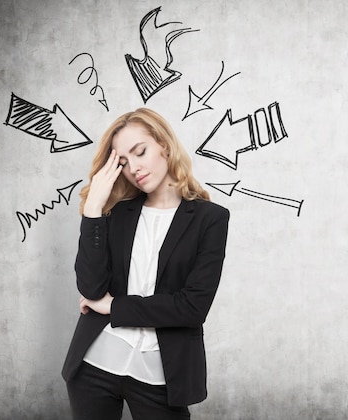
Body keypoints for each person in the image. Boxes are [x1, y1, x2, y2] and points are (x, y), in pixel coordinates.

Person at [62, 108, 229, 420]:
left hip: (161, 372)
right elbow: (90, 287)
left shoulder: (211, 219)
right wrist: (94, 209)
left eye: (140, 152)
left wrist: (116, 307)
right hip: (95, 364)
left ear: (164, 145)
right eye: (123, 162)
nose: (134, 168)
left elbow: (192, 307)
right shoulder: (117, 214)